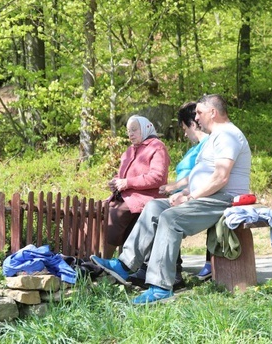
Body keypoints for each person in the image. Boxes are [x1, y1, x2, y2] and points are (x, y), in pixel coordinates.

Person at [92, 94, 251, 304]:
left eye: (200, 113)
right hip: (206, 196)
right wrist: (184, 192)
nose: (197, 117)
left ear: (213, 112)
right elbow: (203, 173)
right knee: (154, 207)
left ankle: (160, 287)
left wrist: (190, 196)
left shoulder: (228, 135)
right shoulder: (215, 137)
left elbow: (221, 177)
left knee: (170, 219)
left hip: (222, 198)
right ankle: (124, 265)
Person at [104, 115, 170, 258]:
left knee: (114, 217)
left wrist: (127, 183)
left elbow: (157, 177)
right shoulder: (129, 150)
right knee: (99, 212)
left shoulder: (157, 147)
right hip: (125, 196)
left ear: (146, 128)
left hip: (144, 197)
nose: (130, 134)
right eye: (128, 131)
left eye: (134, 130)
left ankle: (102, 262)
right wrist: (116, 181)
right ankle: (90, 257)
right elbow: (122, 175)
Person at [159, 102, 211, 281]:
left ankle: (171, 271)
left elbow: (200, 175)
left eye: (183, 127)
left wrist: (177, 189)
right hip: (184, 194)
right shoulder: (196, 147)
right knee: (155, 210)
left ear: (193, 123)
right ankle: (168, 268)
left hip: (196, 198)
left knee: (166, 216)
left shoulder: (207, 145)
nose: (184, 132)